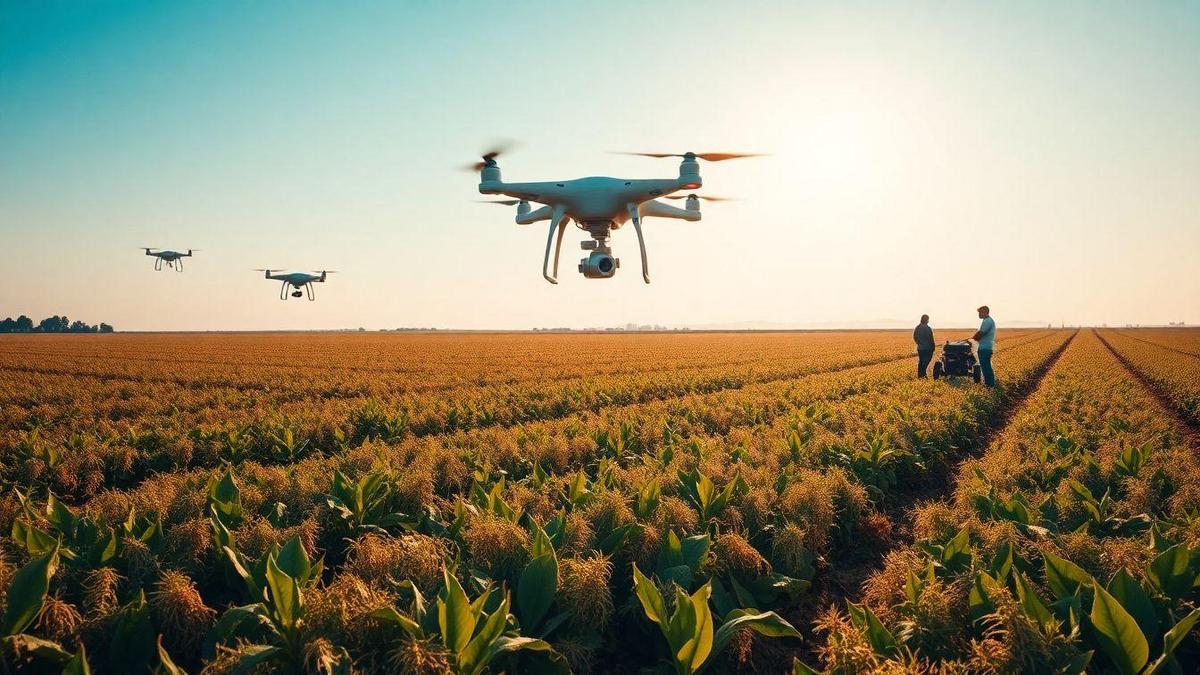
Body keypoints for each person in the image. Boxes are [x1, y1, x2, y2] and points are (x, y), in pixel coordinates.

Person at [972, 305, 996, 386]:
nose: (979, 314)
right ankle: (989, 384)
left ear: (985, 312)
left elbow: (980, 333)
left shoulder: (987, 321)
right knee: (986, 366)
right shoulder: (987, 320)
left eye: (980, 312)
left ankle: (989, 385)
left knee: (985, 367)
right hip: (986, 347)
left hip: (985, 348)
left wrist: (972, 339)